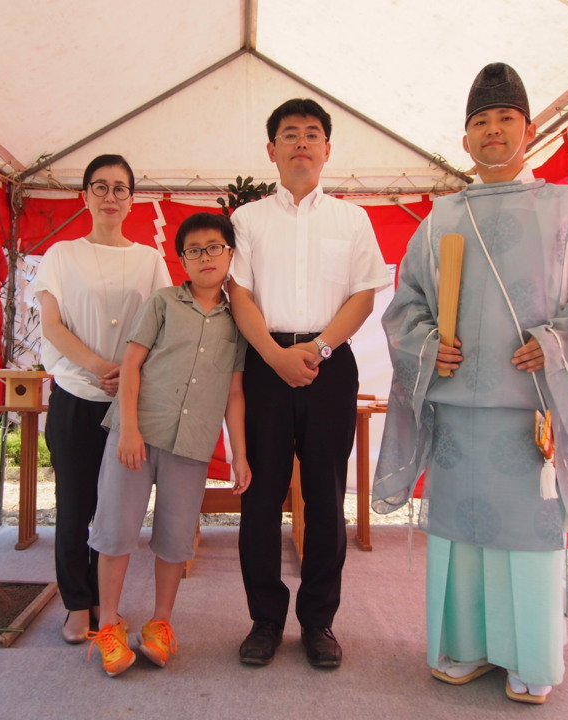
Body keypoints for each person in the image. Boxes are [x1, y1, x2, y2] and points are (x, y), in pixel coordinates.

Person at [372, 63, 568, 704]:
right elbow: (405, 306)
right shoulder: (439, 220)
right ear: (464, 141)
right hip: (455, 418)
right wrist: (424, 344)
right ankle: (464, 648)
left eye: (505, 119)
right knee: (460, 536)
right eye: (480, 122)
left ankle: (530, 659)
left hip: (530, 418)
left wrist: (556, 344)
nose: (493, 131)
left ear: (529, 129)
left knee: (526, 540)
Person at [228, 98, 391, 668]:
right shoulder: (247, 220)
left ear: (327, 149)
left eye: (312, 134)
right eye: (290, 134)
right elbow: (238, 294)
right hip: (266, 364)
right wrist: (274, 355)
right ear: (270, 150)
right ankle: (265, 621)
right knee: (260, 498)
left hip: (329, 366)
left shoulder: (353, 220)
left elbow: (364, 295)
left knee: (324, 498)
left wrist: (318, 349)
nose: (302, 142)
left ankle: (319, 623)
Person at [86, 212, 251, 677]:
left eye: (214, 247)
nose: (205, 257)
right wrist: (131, 430)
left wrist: (239, 454)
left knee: (176, 539)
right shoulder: (162, 302)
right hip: (136, 434)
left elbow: (234, 392)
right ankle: (110, 625)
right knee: (116, 531)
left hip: (193, 443)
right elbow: (132, 364)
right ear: (181, 259)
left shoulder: (239, 320)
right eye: (194, 250)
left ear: (230, 253)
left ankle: (161, 624)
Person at [34, 154, 171, 645]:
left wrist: (131, 376)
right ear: (85, 196)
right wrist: (98, 367)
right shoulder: (60, 256)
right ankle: (77, 604)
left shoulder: (149, 259)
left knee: (115, 510)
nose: (110, 196)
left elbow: (162, 326)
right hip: (76, 394)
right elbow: (52, 326)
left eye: (120, 188)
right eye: (100, 187)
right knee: (74, 505)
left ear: (132, 199)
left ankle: (105, 603)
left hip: (129, 404)